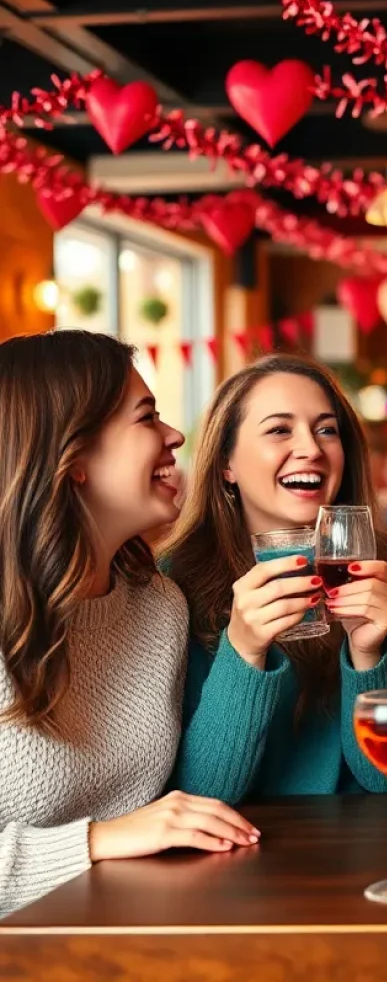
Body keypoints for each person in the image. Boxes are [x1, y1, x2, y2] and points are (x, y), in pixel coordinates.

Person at [0, 330, 254, 917]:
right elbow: (131, 831)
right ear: (74, 456)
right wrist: (96, 841)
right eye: (147, 418)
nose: (175, 436)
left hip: (129, 939)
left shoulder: (158, 606)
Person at [161, 354, 387, 804]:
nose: (311, 448)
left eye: (326, 430)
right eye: (279, 429)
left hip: (364, 848)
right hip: (233, 857)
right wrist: (244, 649)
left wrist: (368, 652)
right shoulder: (172, 585)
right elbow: (203, 794)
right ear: (225, 464)